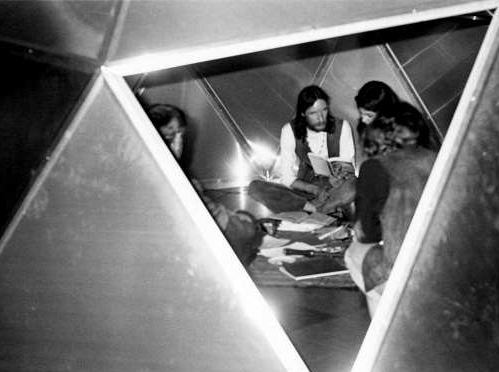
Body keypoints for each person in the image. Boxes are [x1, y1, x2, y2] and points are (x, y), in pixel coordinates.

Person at [345, 102, 437, 317]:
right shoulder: (438, 159)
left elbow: (367, 233)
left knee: (354, 252)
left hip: (407, 277)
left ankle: (386, 328)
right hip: (448, 268)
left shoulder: (375, 167)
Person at [147, 103, 264, 267]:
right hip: (192, 258)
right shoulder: (183, 183)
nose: (180, 145)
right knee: (247, 229)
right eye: (173, 137)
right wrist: (247, 222)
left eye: (181, 136)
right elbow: (233, 229)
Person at [248, 85, 356, 215]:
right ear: (303, 113)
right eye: (313, 113)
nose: (321, 118)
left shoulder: (342, 126)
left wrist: (340, 177)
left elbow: (349, 168)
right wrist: (315, 190)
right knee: (255, 187)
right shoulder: (289, 130)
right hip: (305, 192)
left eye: (324, 110)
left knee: (355, 184)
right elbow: (286, 176)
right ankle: (316, 208)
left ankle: (317, 208)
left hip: (334, 191)